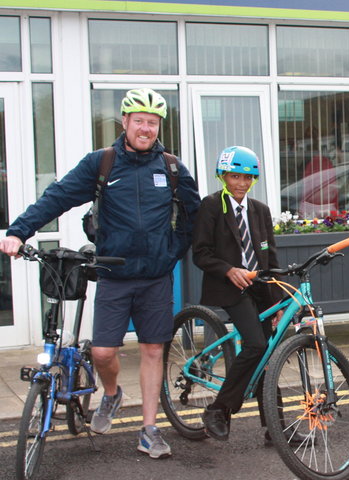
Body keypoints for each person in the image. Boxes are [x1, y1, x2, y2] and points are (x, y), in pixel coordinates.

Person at [0, 88, 201, 458]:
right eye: (139, 121)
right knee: (104, 353)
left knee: (153, 349)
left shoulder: (171, 167)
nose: (145, 128)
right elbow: (58, 196)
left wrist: (174, 251)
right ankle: (111, 394)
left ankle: (149, 430)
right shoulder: (103, 163)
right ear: (124, 122)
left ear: (159, 127)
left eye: (152, 122)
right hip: (113, 275)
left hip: (156, 277)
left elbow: (194, 214)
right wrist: (18, 230)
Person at [193, 146, 300, 445]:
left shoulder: (260, 210)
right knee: (256, 345)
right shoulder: (212, 206)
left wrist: (277, 299)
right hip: (229, 286)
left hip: (260, 287)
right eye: (234, 176)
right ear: (223, 176)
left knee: (269, 353)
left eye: (247, 177)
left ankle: (275, 428)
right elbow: (200, 254)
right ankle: (218, 409)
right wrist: (228, 270)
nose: (240, 183)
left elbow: (271, 259)